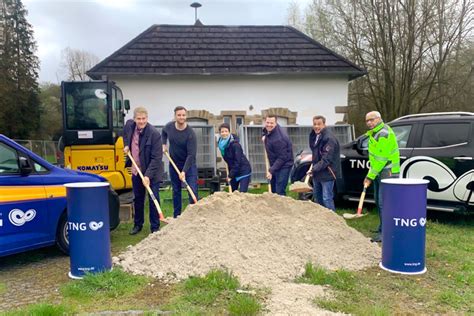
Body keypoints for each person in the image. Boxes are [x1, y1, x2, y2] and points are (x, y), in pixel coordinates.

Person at [123, 107, 163, 235]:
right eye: (139, 119)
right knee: (138, 198)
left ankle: (155, 227)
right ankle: (138, 224)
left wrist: (147, 176)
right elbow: (125, 133)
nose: (141, 121)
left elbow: (156, 158)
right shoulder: (129, 126)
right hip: (136, 170)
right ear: (134, 119)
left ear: (147, 118)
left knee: (153, 199)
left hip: (152, 172)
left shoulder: (154, 134)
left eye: (143, 119)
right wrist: (126, 145)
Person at [364, 111, 400, 243]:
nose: (369, 123)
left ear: (379, 119)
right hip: (380, 171)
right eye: (367, 121)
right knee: (379, 202)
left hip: (388, 172)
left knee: (385, 203)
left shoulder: (383, 133)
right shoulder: (375, 133)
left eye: (371, 120)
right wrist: (373, 172)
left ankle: (386, 232)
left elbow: (382, 158)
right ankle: (382, 227)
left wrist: (369, 176)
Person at [162, 106, 198, 218]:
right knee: (176, 191)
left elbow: (191, 155)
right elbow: (163, 132)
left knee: (192, 190)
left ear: (186, 116)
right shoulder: (169, 127)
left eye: (183, 115)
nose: (181, 117)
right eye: (179, 115)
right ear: (175, 116)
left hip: (189, 166)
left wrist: (183, 171)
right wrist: (164, 144)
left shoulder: (190, 133)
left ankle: (193, 217)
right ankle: (177, 216)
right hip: (174, 164)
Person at [309, 115, 341, 211]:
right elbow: (315, 152)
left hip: (328, 172)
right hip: (318, 172)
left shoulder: (329, 139)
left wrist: (314, 169)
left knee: (327, 198)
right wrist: (314, 168)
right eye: (314, 124)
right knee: (318, 198)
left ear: (324, 125)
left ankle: (333, 221)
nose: (316, 126)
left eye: (319, 124)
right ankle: (322, 221)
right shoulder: (315, 136)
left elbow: (326, 159)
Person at [262, 115, 294, 195]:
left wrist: (271, 170)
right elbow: (265, 131)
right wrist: (265, 137)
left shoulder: (279, 139)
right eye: (267, 122)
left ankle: (283, 206)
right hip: (275, 163)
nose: (269, 125)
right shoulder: (269, 130)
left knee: (279, 190)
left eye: (271, 123)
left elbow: (282, 158)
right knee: (273, 189)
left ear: (276, 123)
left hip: (284, 165)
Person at [218, 123, 252, 192]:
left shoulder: (235, 145)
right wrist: (230, 174)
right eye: (222, 131)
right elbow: (228, 161)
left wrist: (230, 175)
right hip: (234, 171)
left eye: (226, 131)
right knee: (233, 193)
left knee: (242, 193)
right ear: (220, 133)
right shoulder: (221, 145)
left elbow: (237, 162)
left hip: (243, 170)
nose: (224, 133)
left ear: (229, 132)